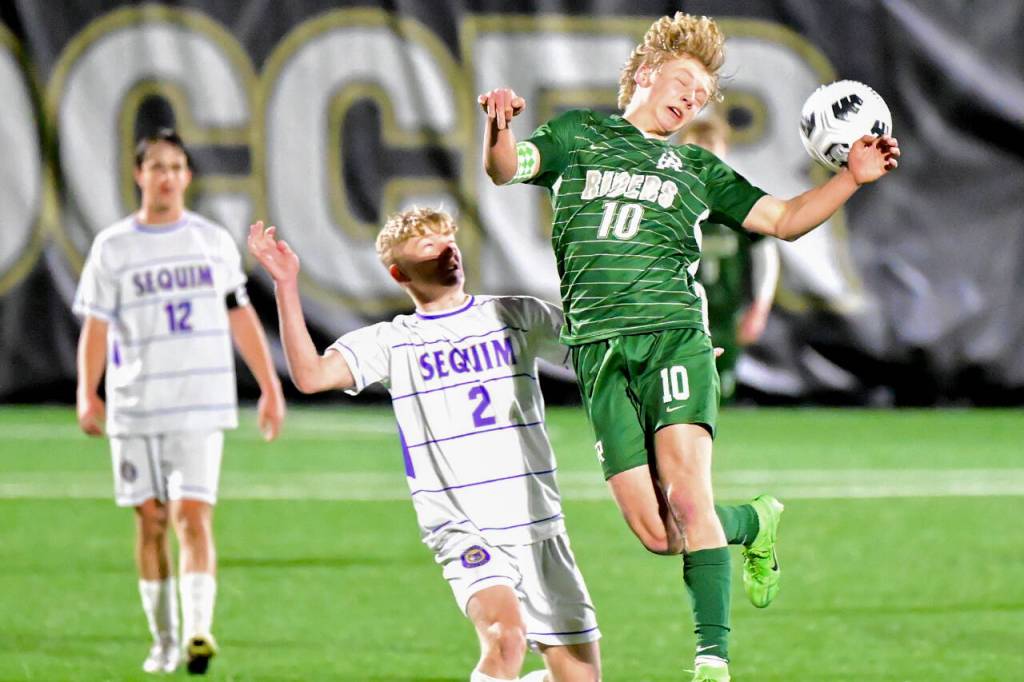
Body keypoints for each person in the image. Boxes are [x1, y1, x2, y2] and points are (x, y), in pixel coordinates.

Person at [478, 11, 898, 681]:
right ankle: (752, 522)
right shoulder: (577, 134)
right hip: (598, 353)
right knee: (657, 532)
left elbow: (784, 219)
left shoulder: (696, 166)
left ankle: (711, 663)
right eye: (683, 84)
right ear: (646, 74)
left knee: (689, 498)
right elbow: (507, 168)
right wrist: (499, 127)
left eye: (701, 96)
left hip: (675, 340)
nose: (690, 100)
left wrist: (849, 178)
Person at [247, 207, 601, 682]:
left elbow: (599, 359)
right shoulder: (394, 342)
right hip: (463, 525)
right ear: (399, 273)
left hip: (539, 523)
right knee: (506, 638)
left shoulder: (517, 314)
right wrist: (286, 285)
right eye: (428, 245)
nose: (447, 249)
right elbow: (310, 376)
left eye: (448, 239)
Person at [74, 129, 286, 675]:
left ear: (187, 176)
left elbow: (240, 314)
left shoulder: (211, 241)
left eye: (175, 166)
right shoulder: (113, 247)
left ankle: (198, 631)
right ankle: (164, 641)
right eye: (156, 166)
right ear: (138, 174)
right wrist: (86, 391)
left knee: (192, 517)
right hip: (135, 404)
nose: (166, 176)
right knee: (150, 521)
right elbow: (96, 326)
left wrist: (269, 385)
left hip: (200, 401)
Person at [681, 117, 780, 401]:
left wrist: (760, 306)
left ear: (724, 149)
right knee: (684, 390)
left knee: (720, 392)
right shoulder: (671, 195)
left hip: (726, 313)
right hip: (680, 311)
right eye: (697, 147)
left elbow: (765, 252)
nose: (704, 155)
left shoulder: (736, 198)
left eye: (711, 146)